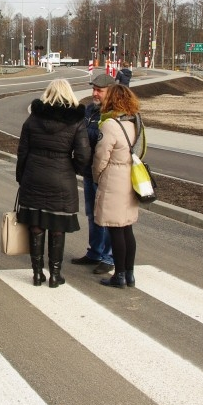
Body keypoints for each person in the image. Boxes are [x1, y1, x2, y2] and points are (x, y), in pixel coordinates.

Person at [16, 79, 91, 287]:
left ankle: (37, 273)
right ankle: (55, 275)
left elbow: (22, 151)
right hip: (62, 178)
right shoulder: (76, 121)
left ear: (48, 93)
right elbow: (84, 155)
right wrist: (72, 168)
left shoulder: (33, 119)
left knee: (36, 226)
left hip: (34, 175)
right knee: (58, 226)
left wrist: (21, 176)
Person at [92, 84, 143, 288]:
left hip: (115, 176)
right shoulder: (135, 122)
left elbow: (101, 155)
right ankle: (129, 273)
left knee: (115, 229)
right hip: (131, 176)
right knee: (127, 228)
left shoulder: (111, 125)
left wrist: (97, 175)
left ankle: (119, 275)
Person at [70, 73, 116, 274]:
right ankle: (95, 252)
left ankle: (108, 257)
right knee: (93, 214)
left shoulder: (116, 114)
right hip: (90, 172)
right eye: (94, 89)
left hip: (107, 174)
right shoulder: (89, 110)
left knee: (107, 216)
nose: (95, 93)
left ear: (111, 92)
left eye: (100, 90)